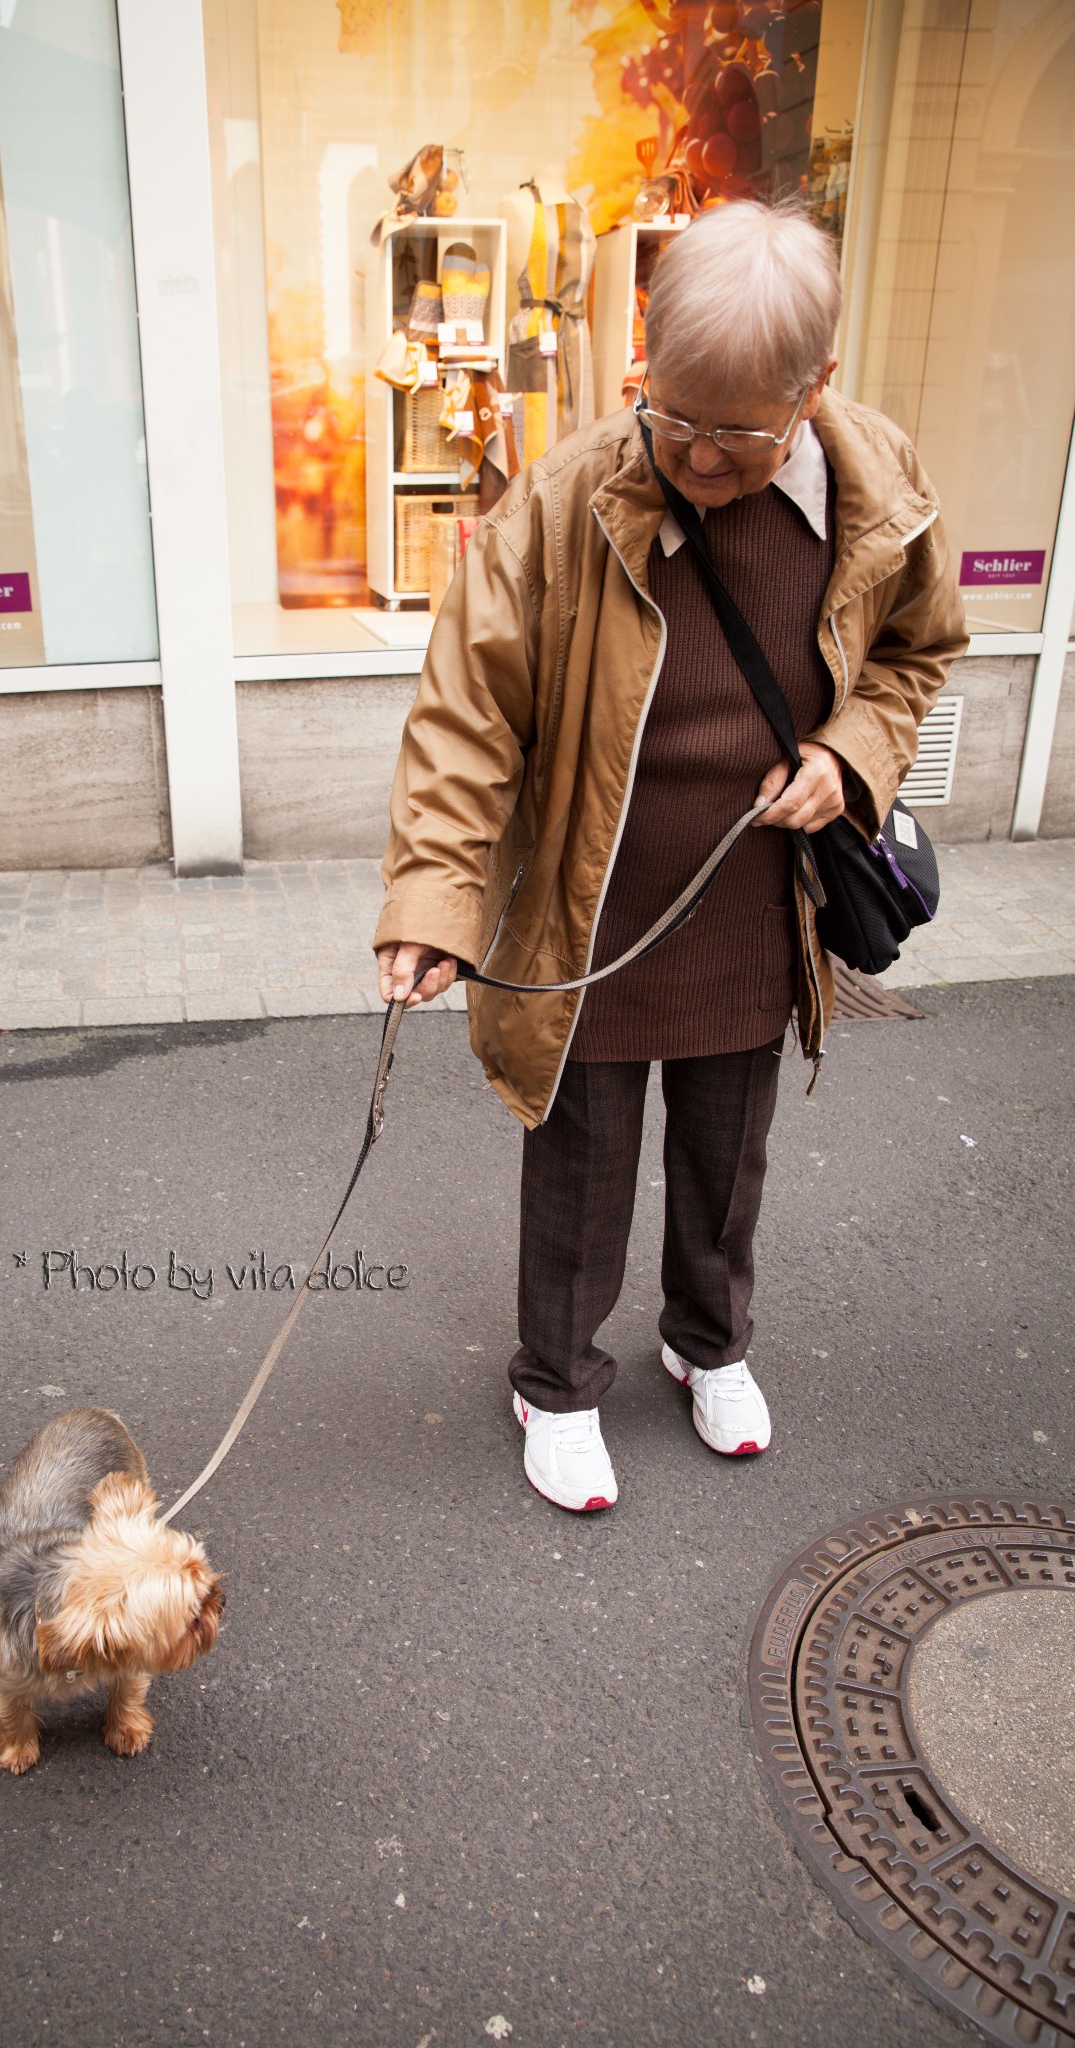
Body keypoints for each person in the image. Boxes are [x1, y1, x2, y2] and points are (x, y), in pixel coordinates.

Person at [372, 199, 966, 1513]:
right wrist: (433, 899)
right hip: (593, 910)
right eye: (673, 417)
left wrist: (851, 753)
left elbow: (918, 654)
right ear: (641, 358)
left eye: (737, 434)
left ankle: (708, 1347)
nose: (696, 460)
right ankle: (556, 1380)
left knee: (724, 1149)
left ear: (813, 388)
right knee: (578, 1159)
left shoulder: (876, 486)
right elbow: (466, 712)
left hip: (756, 905)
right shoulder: (562, 498)